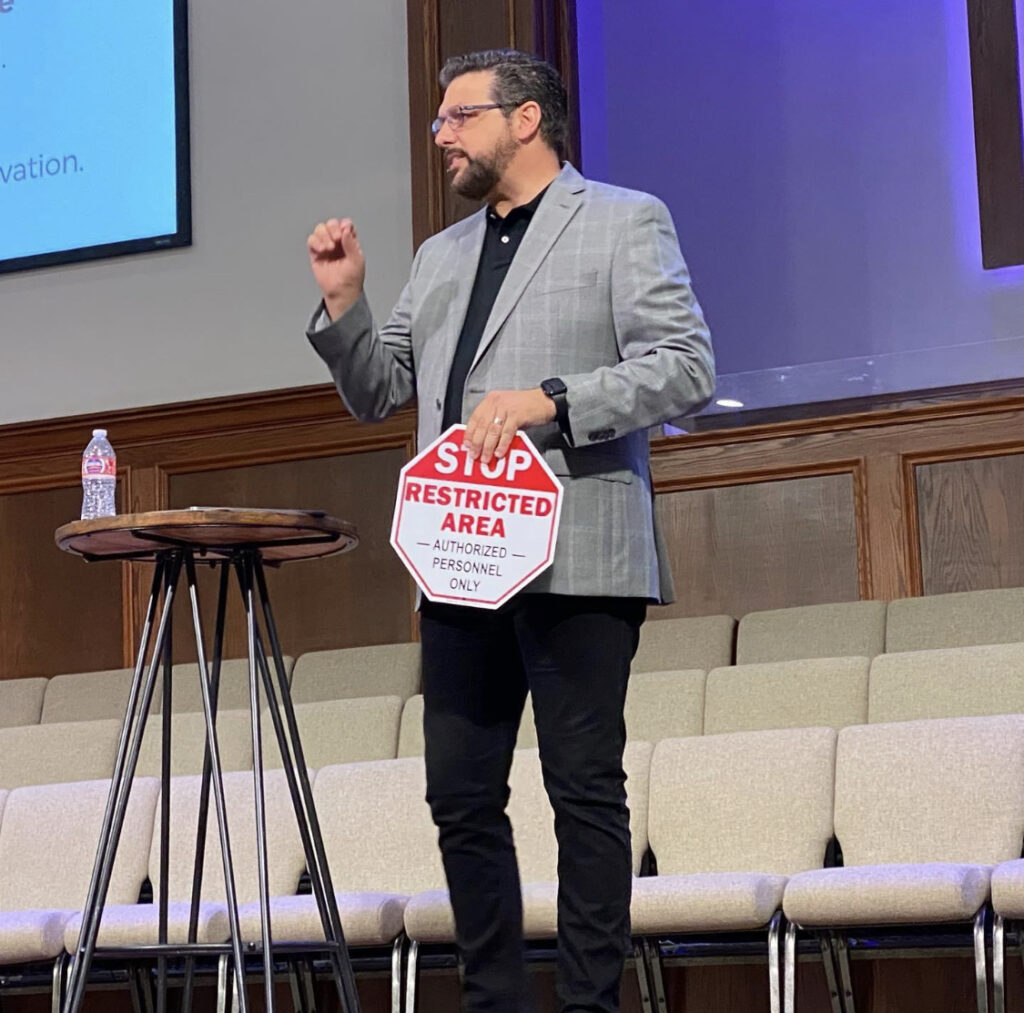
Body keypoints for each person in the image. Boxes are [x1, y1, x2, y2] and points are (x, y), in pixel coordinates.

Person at [305, 49, 714, 1013]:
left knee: (582, 790)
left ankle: (587, 1002)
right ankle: (493, 999)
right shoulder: (439, 255)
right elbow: (379, 391)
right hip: (459, 558)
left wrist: (552, 399)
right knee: (459, 793)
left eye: (458, 116)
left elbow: (686, 368)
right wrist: (343, 301)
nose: (440, 134)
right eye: (440, 120)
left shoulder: (622, 219)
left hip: (576, 548)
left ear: (525, 119)